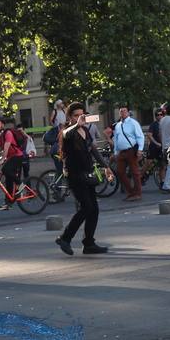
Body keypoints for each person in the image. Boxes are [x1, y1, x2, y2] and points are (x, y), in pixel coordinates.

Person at [55, 103, 114, 256]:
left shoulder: (86, 131)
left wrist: (106, 166)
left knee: (94, 209)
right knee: (86, 207)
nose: (80, 118)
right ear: (70, 117)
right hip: (74, 175)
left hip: (87, 174)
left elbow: (93, 150)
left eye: (82, 115)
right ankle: (65, 238)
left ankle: (89, 243)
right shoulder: (67, 132)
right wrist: (76, 125)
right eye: (76, 115)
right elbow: (67, 133)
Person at [113, 105, 145, 201]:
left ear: (128, 112)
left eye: (124, 111)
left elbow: (140, 136)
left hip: (131, 150)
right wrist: (115, 151)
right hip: (121, 151)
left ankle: (137, 193)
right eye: (121, 111)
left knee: (135, 172)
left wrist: (140, 149)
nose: (122, 113)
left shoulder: (133, 123)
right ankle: (131, 192)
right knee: (120, 172)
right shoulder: (118, 125)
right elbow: (116, 139)